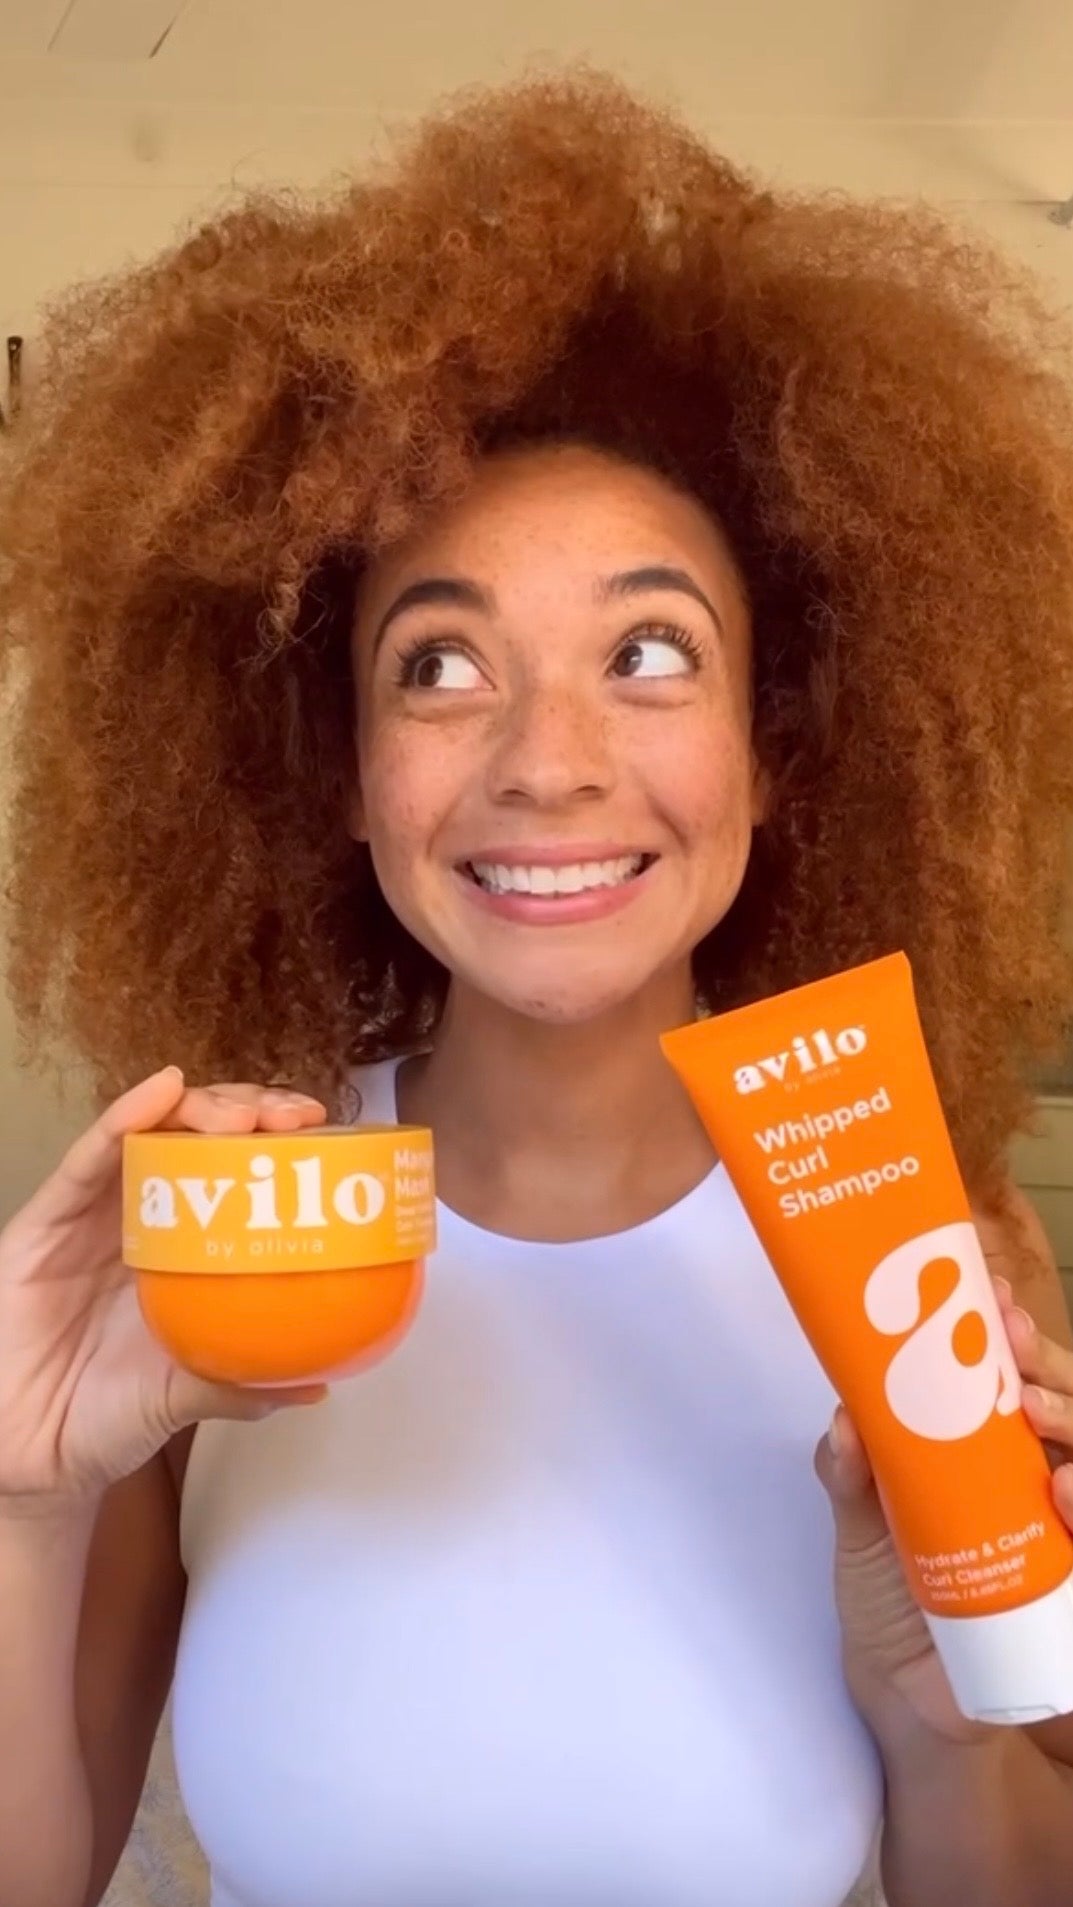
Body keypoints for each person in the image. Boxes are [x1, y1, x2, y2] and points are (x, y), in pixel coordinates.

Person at [2, 68, 1073, 1907]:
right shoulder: (228, 1248)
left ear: (780, 746)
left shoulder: (928, 1255)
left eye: (650, 654)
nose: (545, 764)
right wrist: (23, 1508)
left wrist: (946, 1719)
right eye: (438, 667)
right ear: (333, 769)